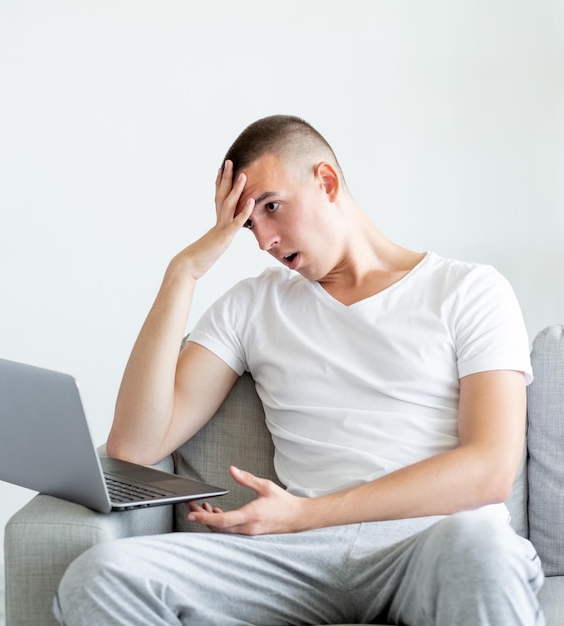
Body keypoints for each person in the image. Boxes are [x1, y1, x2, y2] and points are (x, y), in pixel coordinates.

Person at [53, 114, 544, 625]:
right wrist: (184, 272)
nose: (263, 238)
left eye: (271, 207)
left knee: (480, 550)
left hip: (429, 542)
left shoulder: (470, 290)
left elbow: (490, 470)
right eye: (247, 224)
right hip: (296, 558)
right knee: (102, 574)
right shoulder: (253, 304)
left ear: (326, 182)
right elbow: (135, 445)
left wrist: (304, 513)